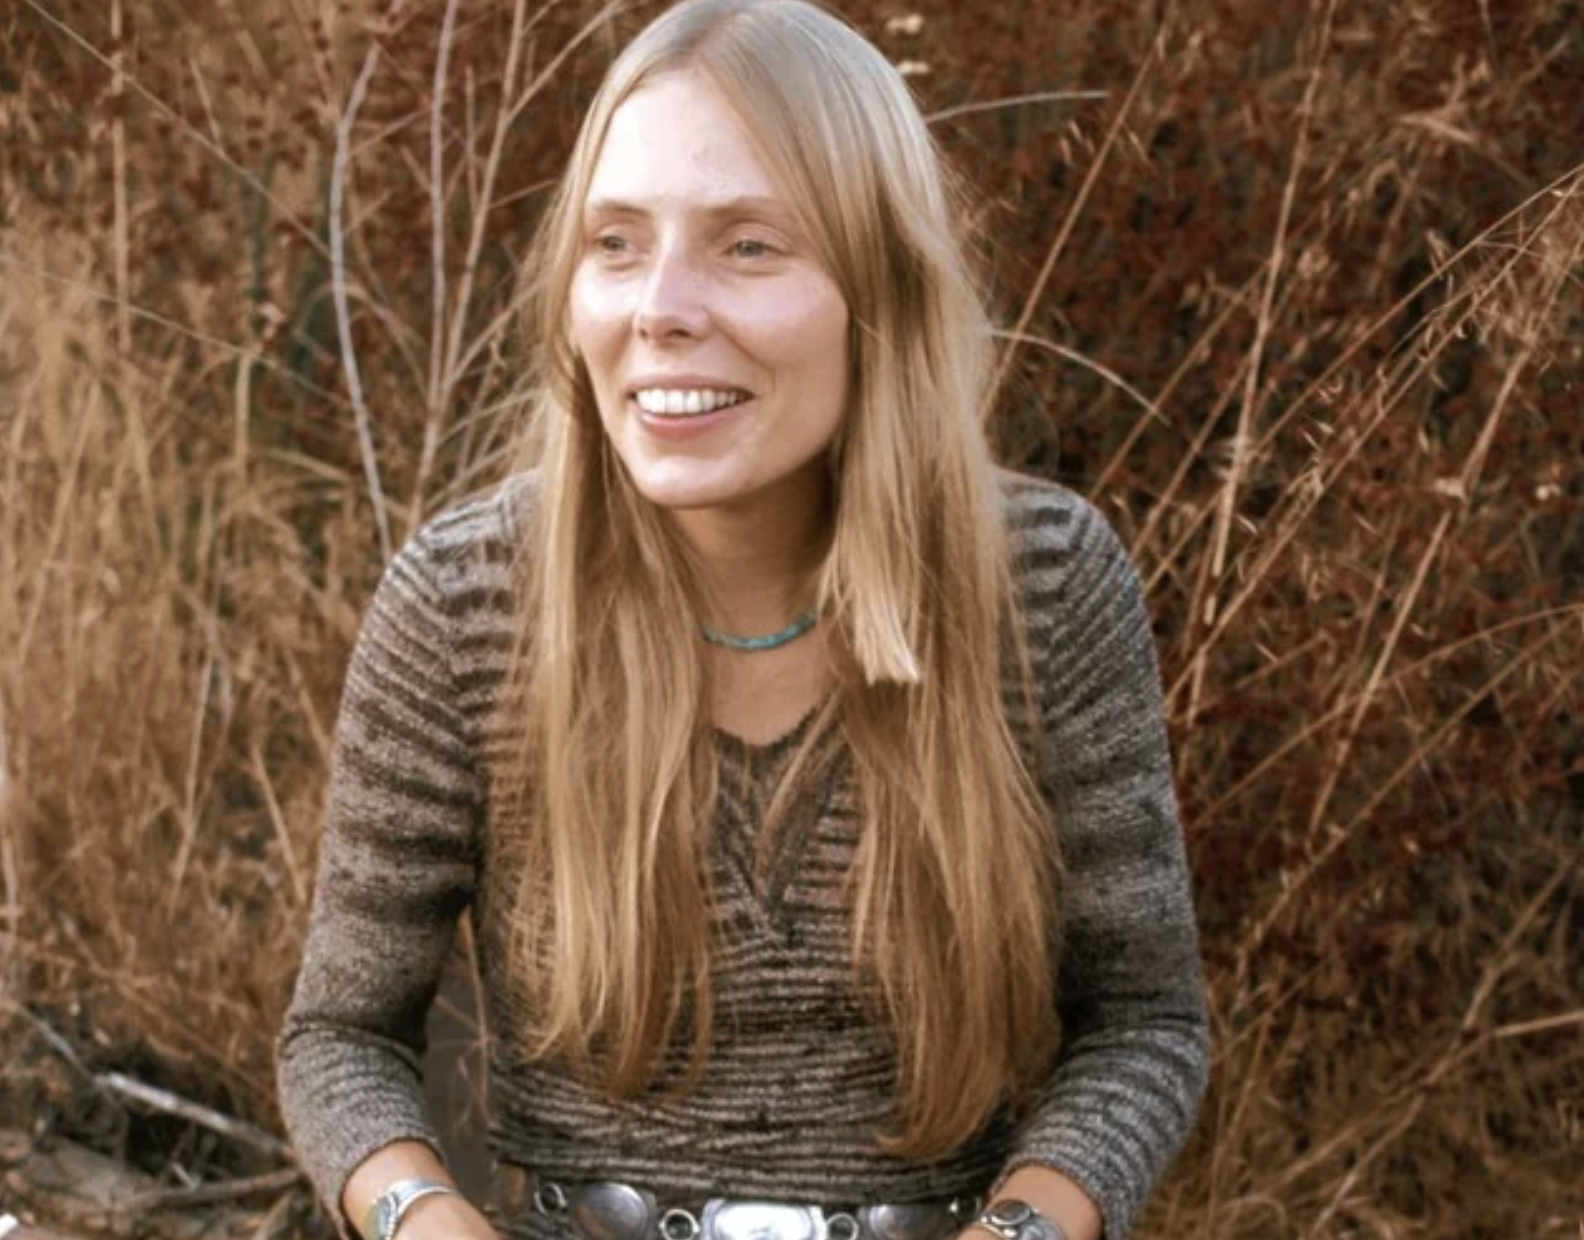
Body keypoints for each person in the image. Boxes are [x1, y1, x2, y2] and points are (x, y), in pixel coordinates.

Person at [275, 1, 1210, 1238]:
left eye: (748, 245)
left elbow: (1144, 1021)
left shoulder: (1039, 587)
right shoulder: (465, 602)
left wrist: (1022, 1228)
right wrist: (423, 1217)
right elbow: (339, 1032)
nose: (660, 307)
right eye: (617, 242)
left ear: (879, 286)